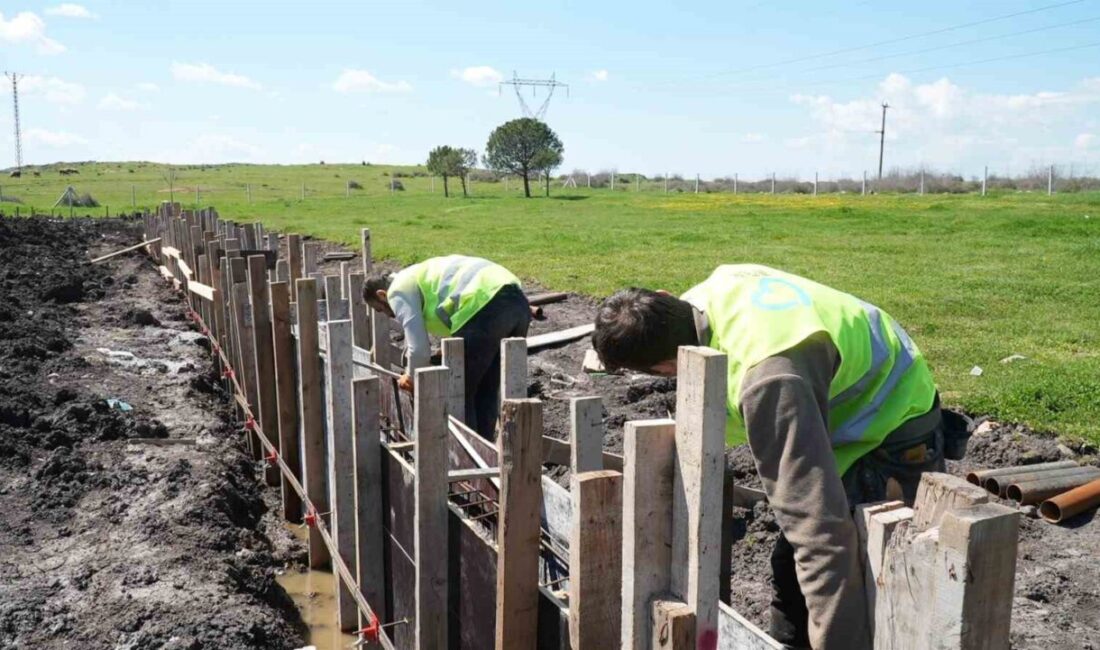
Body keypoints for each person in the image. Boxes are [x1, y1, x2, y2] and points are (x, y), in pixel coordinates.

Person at [592, 264, 961, 650]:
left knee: (884, 587)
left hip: (892, 427)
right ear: (667, 296)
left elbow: (821, 532)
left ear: (666, 367)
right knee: (791, 575)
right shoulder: (710, 290)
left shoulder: (768, 378)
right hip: (848, 412)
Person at [363, 255, 531, 440]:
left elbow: (419, 349)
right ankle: (485, 452)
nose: (387, 314)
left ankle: (466, 460)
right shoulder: (417, 276)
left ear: (381, 295)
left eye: (381, 309)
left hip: (484, 305)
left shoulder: (397, 290)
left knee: (460, 391)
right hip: (518, 304)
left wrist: (410, 377)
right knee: (487, 388)